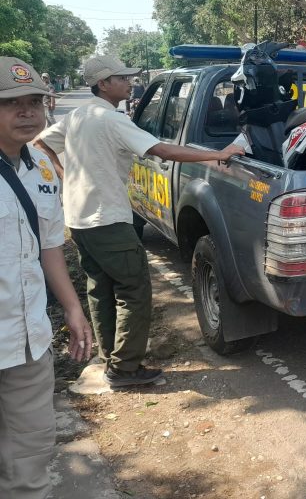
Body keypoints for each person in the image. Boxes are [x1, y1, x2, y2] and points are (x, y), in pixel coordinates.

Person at [34, 55, 244, 389]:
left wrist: (66, 176)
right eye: (122, 78)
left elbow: (40, 143)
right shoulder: (111, 119)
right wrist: (221, 152)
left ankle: (110, 359)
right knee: (133, 290)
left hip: (79, 220)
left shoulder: (79, 116)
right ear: (104, 84)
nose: (130, 83)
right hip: (108, 220)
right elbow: (164, 151)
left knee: (100, 289)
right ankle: (125, 369)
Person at [0, 57, 93, 498]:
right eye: (11, 103)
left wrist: (74, 309)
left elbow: (50, 244)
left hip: (28, 342)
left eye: (34, 101)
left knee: (31, 454)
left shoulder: (40, 166)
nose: (27, 112)